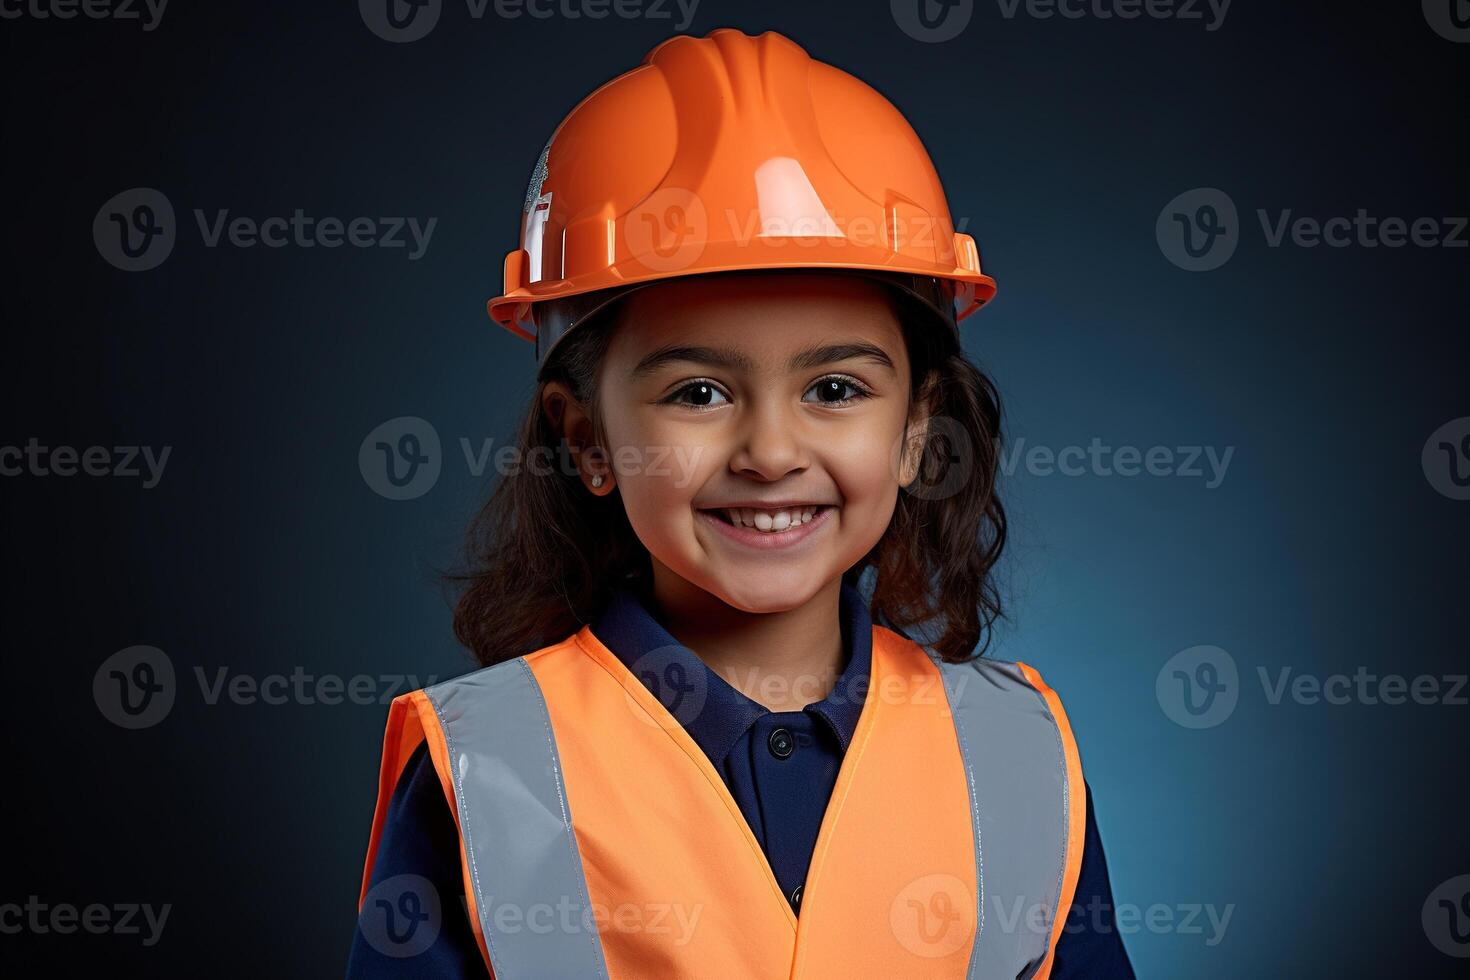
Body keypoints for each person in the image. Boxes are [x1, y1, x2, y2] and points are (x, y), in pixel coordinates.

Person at [349, 27, 1134, 979]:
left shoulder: (1015, 757)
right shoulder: (489, 770)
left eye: (836, 389)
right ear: (587, 438)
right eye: (698, 393)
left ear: (917, 431)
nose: (769, 453)